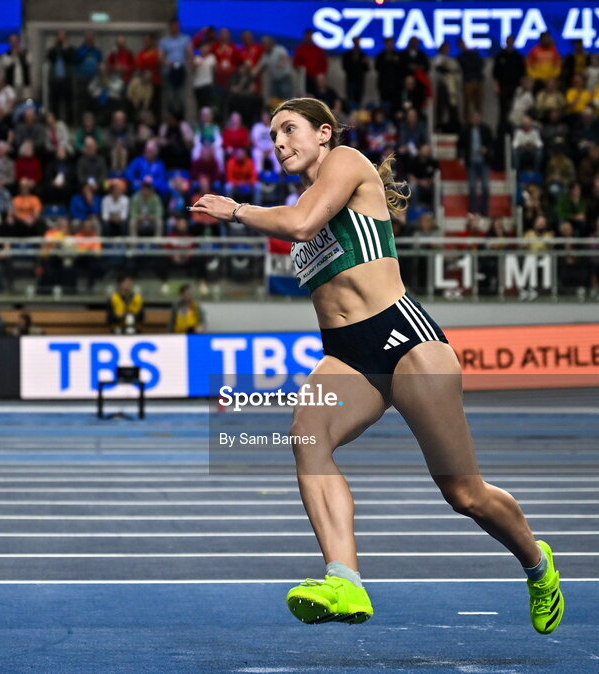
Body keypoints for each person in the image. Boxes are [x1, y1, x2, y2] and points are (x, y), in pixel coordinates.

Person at [189, 98, 564, 633]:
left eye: (288, 130)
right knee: (307, 435)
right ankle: (344, 580)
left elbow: (299, 225)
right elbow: (303, 224)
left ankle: (537, 563)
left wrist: (236, 209)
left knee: (464, 494)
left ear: (323, 133)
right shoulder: (306, 197)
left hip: (406, 340)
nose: (278, 143)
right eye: (272, 136)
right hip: (348, 355)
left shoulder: (345, 162)